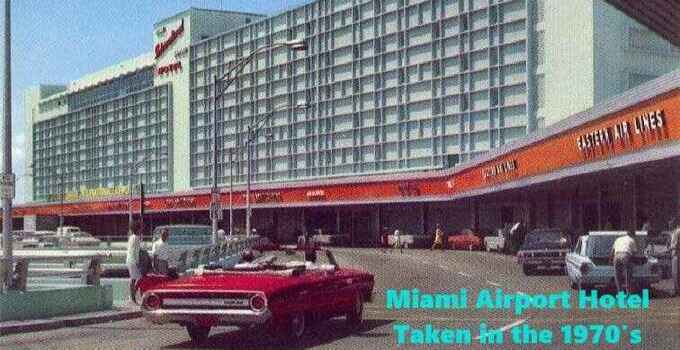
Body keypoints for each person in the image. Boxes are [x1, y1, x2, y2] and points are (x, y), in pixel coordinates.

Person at [126, 221, 142, 304]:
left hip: (130, 260)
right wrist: (137, 262)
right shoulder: (136, 238)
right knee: (136, 279)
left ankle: (132, 296)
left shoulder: (131, 237)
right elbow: (135, 252)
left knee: (134, 279)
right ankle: (132, 297)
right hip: (133, 261)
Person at [670, 218, 680, 296]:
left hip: (676, 254)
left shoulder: (677, 232)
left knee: (675, 273)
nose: (669, 224)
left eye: (670, 223)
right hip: (675, 253)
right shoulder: (675, 232)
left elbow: (675, 245)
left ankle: (677, 291)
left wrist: (667, 250)